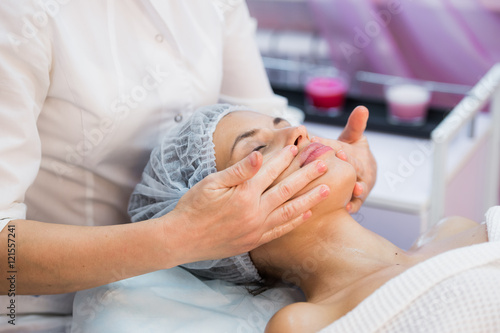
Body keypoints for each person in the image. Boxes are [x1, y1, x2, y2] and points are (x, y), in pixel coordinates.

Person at [0, 1, 376, 331]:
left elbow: (265, 118)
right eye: (258, 147)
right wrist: (178, 237)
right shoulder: (20, 15)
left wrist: (342, 157)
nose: (299, 137)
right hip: (37, 309)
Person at [129, 104, 500, 333]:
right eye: (257, 148)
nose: (298, 132)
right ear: (222, 228)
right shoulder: (303, 324)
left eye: (283, 123)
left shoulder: (456, 228)